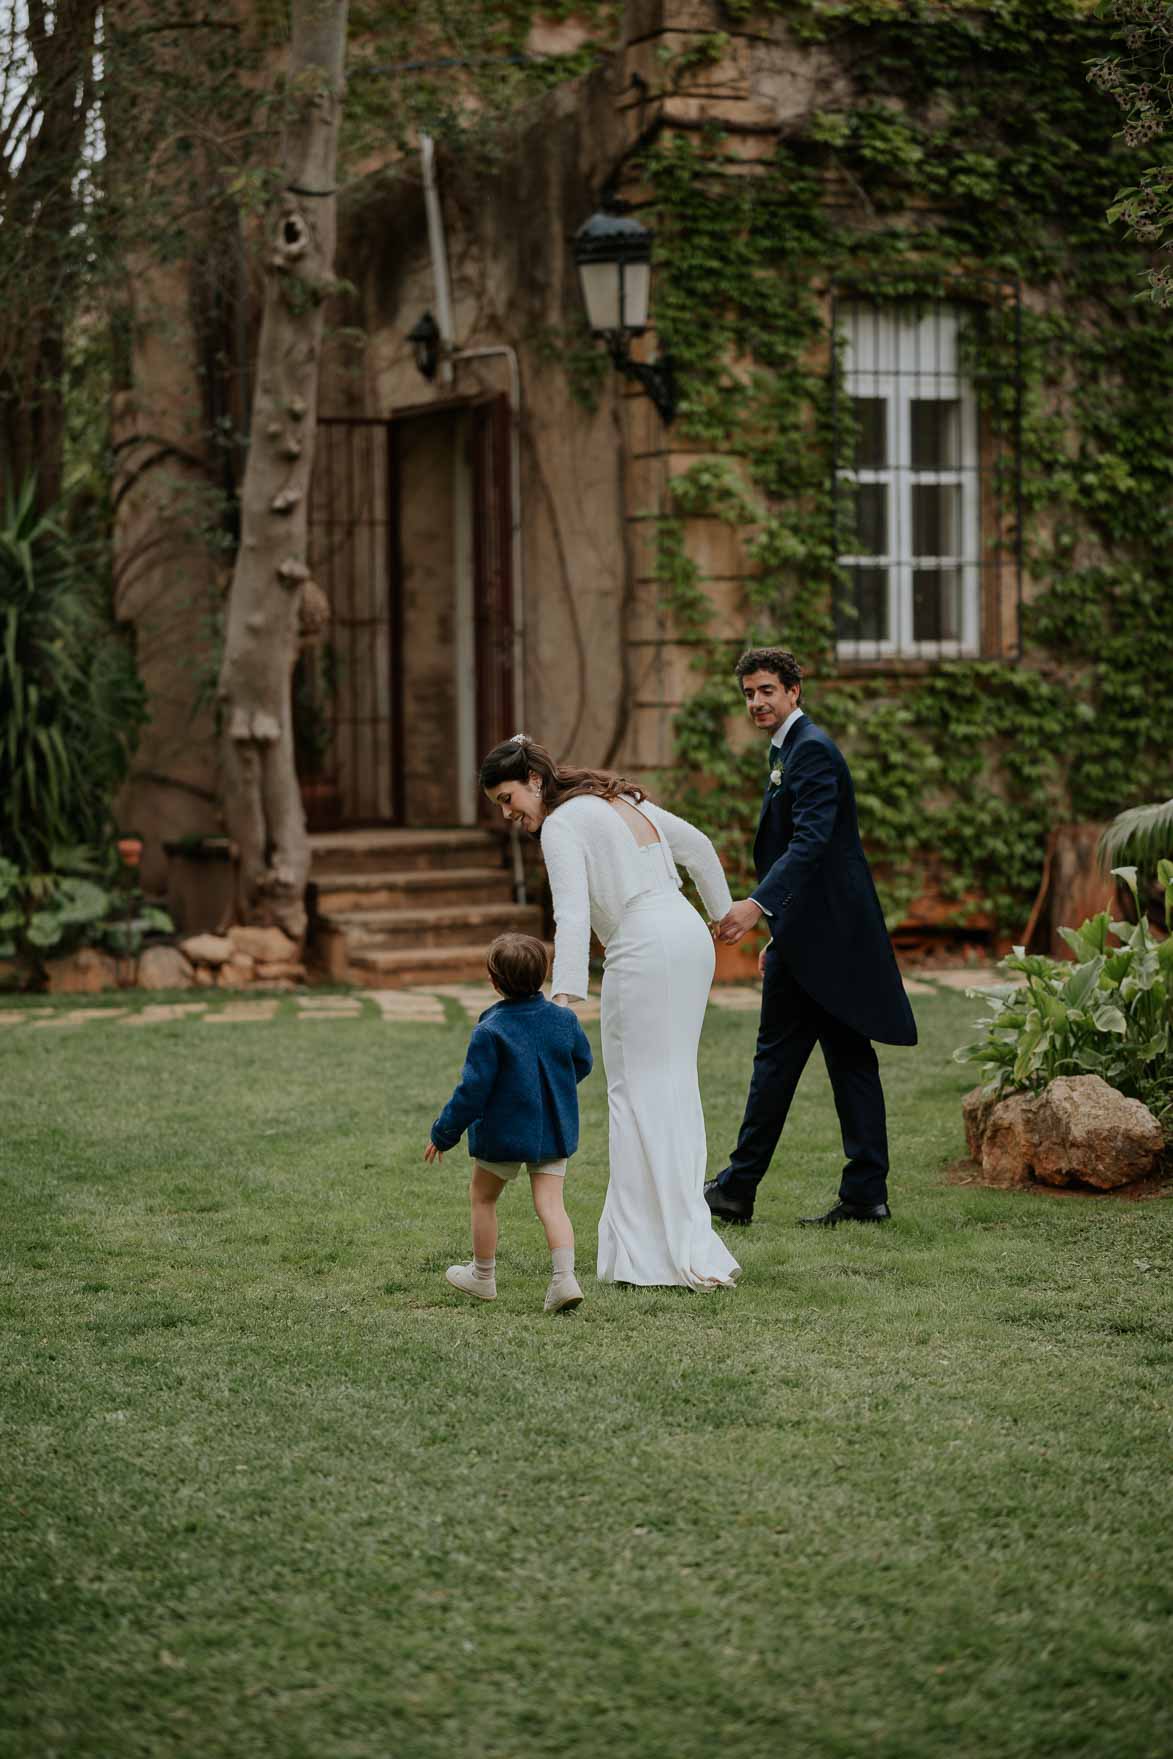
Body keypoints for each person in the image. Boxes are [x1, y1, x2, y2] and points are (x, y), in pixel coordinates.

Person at [479, 734, 740, 1290]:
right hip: (688, 937)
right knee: (672, 1084)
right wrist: (722, 914)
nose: (508, 813)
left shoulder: (562, 823)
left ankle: (655, 1253)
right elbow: (696, 845)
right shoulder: (616, 799)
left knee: (634, 1091)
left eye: (508, 798)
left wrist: (563, 998)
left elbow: (571, 913)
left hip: (644, 946)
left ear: (534, 781)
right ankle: (670, 1238)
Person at [706, 647, 918, 1228]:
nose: (757, 702)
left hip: (831, 942)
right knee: (843, 1060)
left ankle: (739, 1189)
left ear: (795, 691)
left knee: (788, 1060)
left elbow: (812, 842)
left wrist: (756, 906)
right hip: (815, 939)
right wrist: (783, 929)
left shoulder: (813, 752)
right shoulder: (794, 751)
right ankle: (860, 1196)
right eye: (749, 693)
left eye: (767, 690)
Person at [426, 931, 593, 1314]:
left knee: (483, 1197)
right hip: (553, 1129)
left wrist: (443, 1132)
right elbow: (581, 1063)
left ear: (495, 981)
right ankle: (564, 1278)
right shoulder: (564, 1020)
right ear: (542, 976)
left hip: (503, 1134)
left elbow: (472, 1091)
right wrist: (553, 1092)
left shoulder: (491, 1029)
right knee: (551, 1204)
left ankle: (483, 1276)